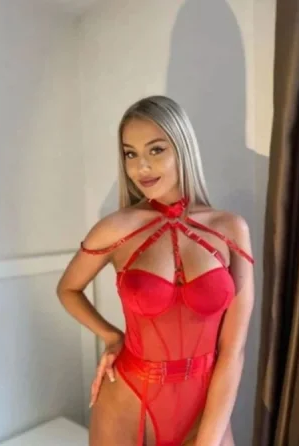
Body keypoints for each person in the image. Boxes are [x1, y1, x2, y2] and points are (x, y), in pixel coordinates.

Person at [56, 95, 255, 446]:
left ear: (182, 148)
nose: (142, 167)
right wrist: (111, 336)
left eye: (156, 150)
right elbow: (68, 289)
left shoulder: (230, 228)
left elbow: (233, 350)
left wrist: (208, 439)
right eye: (130, 154)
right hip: (127, 402)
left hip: (203, 407)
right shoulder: (116, 228)